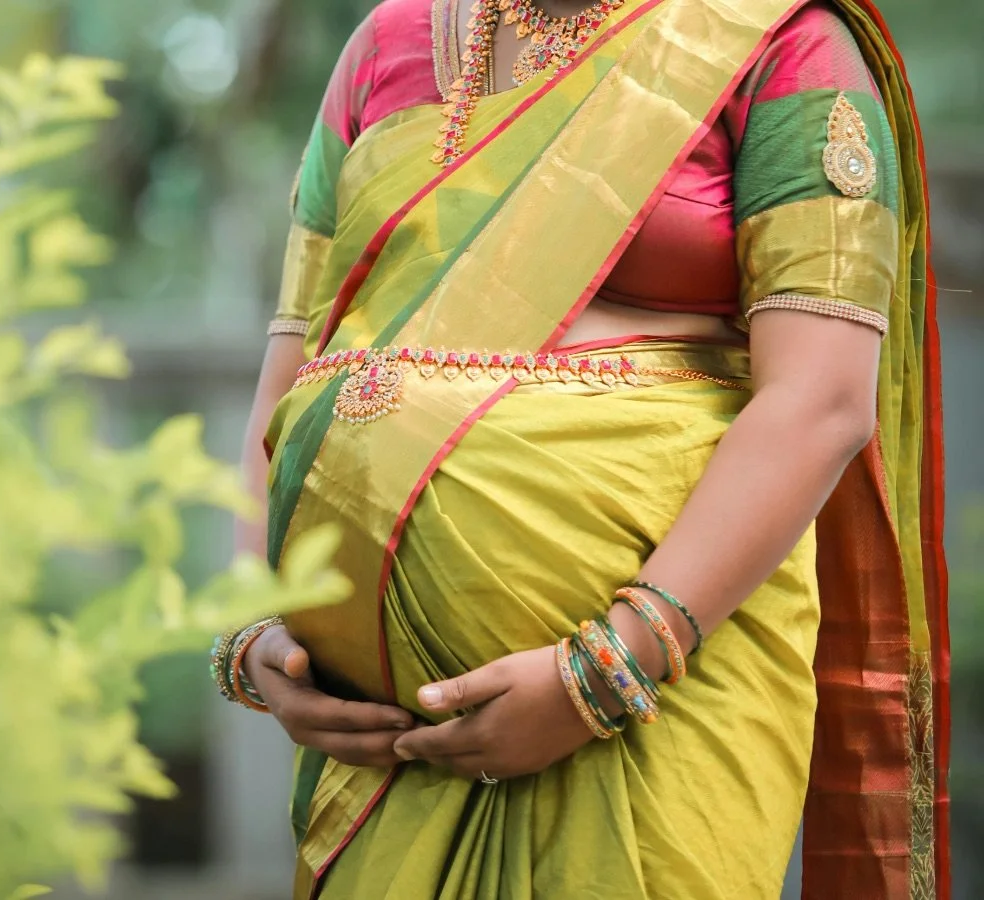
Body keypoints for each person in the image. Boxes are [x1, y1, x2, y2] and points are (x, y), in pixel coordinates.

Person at [211, 0, 950, 896]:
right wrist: (256, 628)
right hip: (383, 744)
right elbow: (292, 380)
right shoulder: (385, 45)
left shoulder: (776, 40)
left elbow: (821, 401)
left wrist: (607, 671)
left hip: (662, 692)